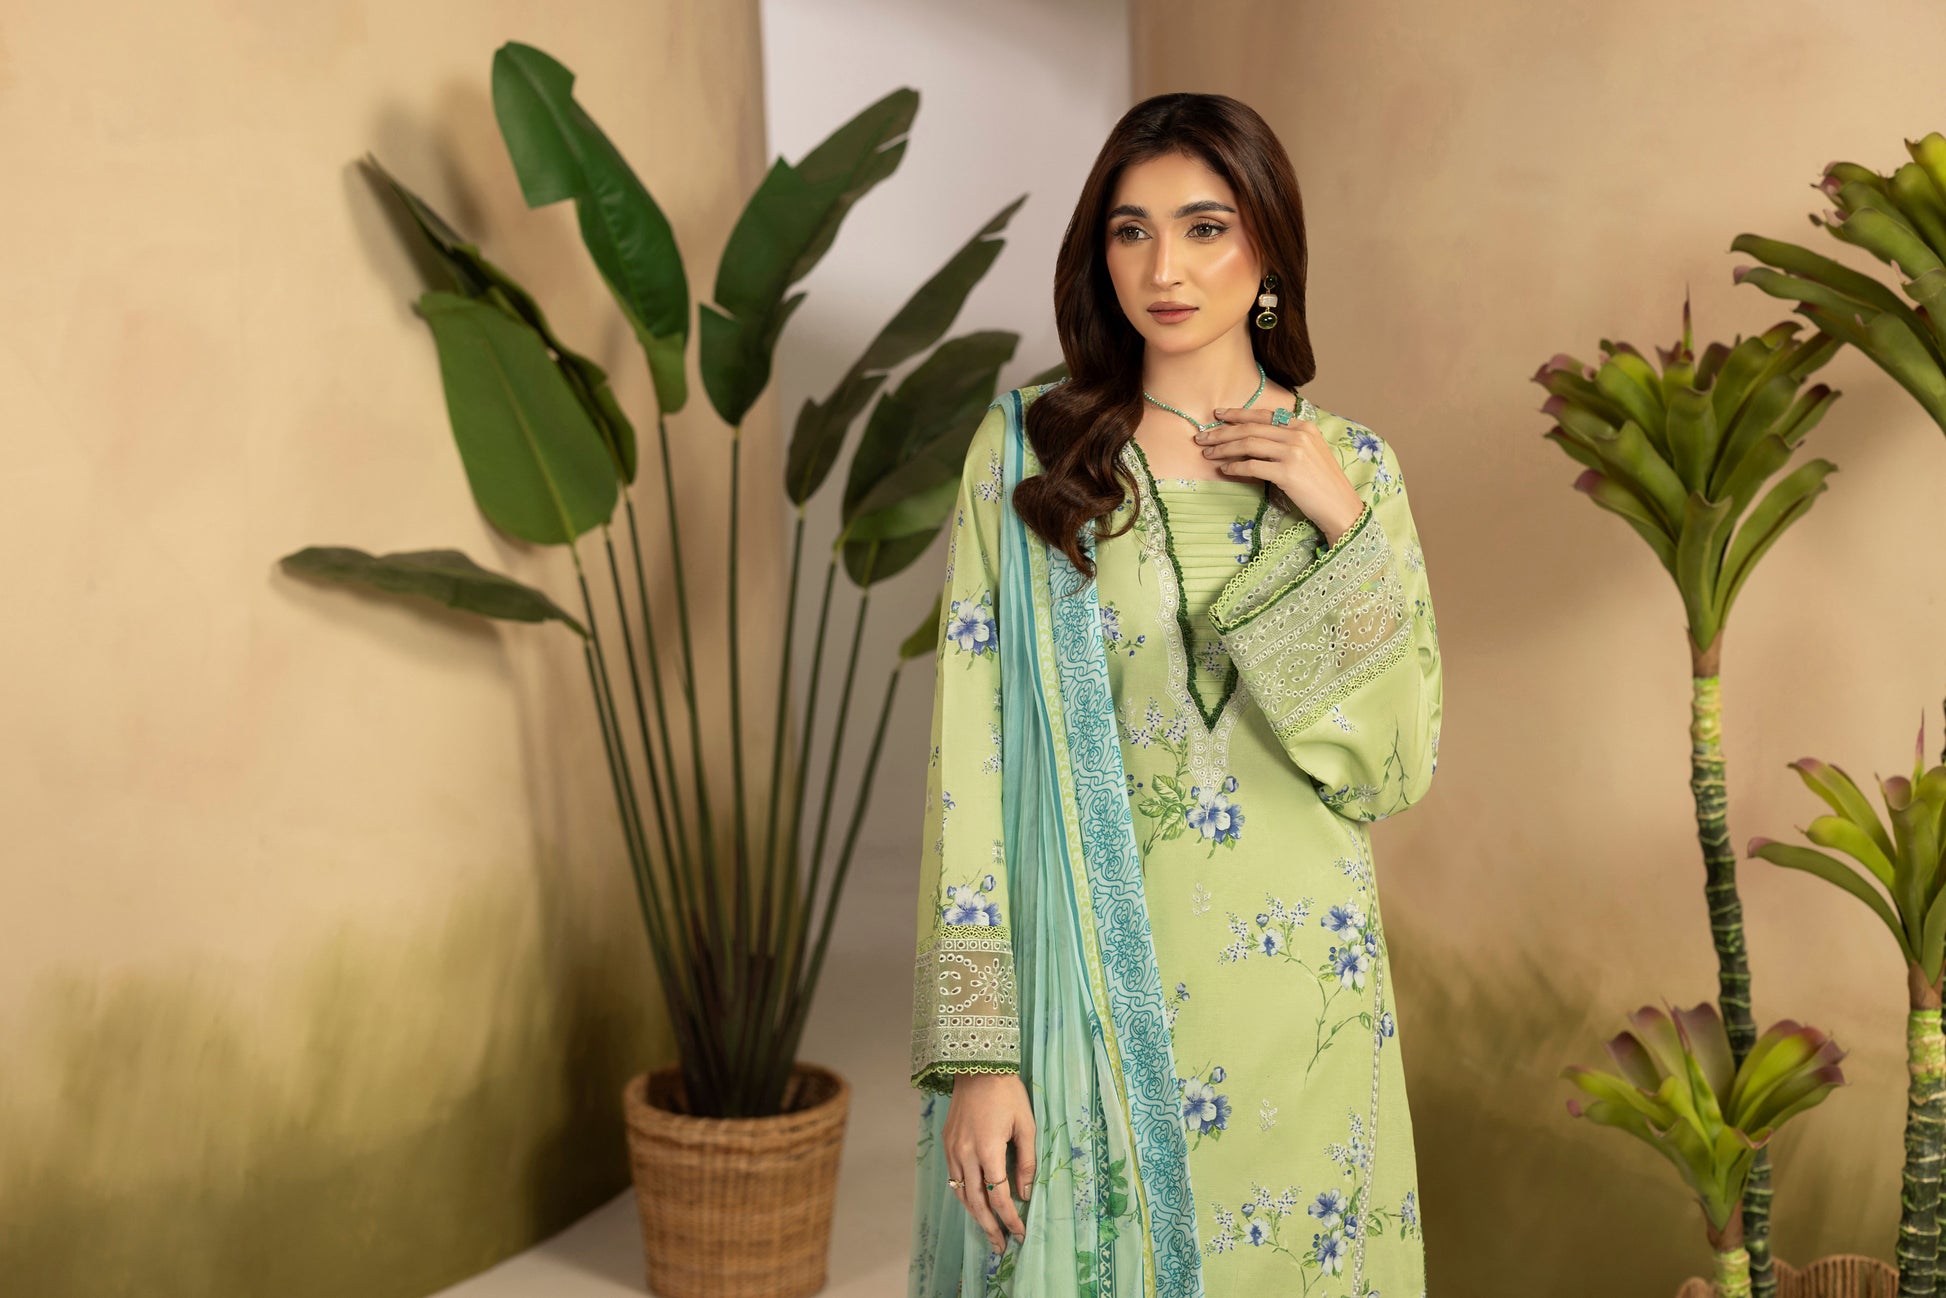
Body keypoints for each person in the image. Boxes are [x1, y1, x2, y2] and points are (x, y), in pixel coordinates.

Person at [907, 91, 1440, 1298]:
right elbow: (967, 760)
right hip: (1088, 1001)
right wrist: (981, 1052)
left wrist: (1338, 522)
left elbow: (1394, 766)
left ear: (1267, 248)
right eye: (1129, 230)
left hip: (1305, 1010)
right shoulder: (1030, 456)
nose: (1163, 268)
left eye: (1204, 228)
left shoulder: (1355, 469)